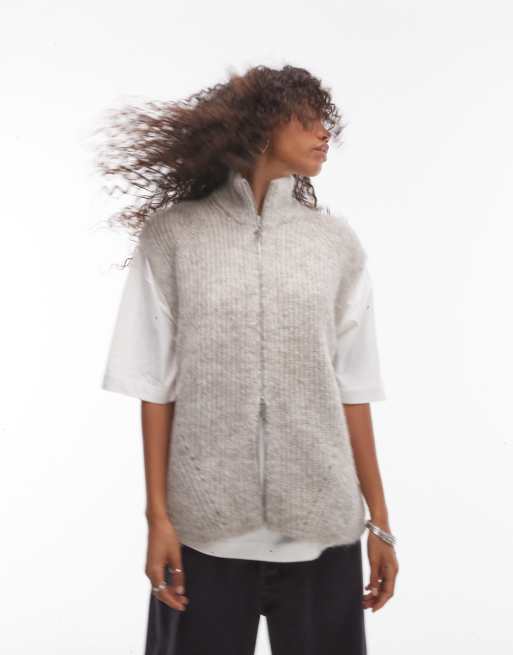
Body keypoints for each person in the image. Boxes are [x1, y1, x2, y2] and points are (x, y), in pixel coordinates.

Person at [98, 64, 399, 655]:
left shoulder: (334, 245)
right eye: (306, 119)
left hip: (322, 532)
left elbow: (353, 388)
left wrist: (380, 522)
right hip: (204, 535)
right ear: (261, 127)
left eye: (325, 121)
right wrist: (158, 518)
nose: (323, 134)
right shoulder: (174, 237)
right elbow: (156, 386)